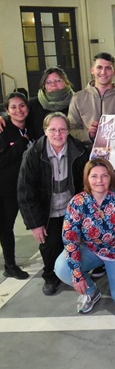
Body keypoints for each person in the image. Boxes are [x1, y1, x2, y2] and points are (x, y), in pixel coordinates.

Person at [55, 158, 115, 313]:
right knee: (62, 268)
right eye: (94, 176)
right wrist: (77, 276)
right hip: (90, 250)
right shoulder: (77, 202)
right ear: (87, 179)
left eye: (105, 176)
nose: (99, 181)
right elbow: (70, 239)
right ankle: (91, 292)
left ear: (111, 178)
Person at [17, 112, 88, 294]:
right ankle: (50, 277)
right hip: (46, 209)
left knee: (74, 244)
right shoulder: (34, 154)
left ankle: (76, 274)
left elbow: (84, 183)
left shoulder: (78, 150)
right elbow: (26, 191)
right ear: (45, 131)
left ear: (68, 131)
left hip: (70, 208)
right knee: (49, 245)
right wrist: (35, 224)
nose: (58, 134)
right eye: (53, 130)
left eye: (62, 129)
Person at [0, 93, 34, 280]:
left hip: (24, 187)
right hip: (5, 188)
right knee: (6, 226)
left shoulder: (31, 127)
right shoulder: (3, 130)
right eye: (13, 107)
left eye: (22, 106)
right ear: (7, 111)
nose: (18, 110)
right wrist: (19, 145)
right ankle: (10, 265)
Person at [67, 52, 115, 147]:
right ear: (92, 70)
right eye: (99, 67)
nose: (103, 72)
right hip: (86, 155)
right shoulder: (78, 98)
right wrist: (88, 135)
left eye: (108, 68)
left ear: (114, 72)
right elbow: (71, 129)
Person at [25, 67, 75, 140]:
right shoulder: (33, 104)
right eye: (48, 82)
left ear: (66, 82)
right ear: (44, 86)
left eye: (58, 80)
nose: (53, 84)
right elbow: (18, 119)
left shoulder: (77, 101)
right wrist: (4, 119)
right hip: (40, 149)